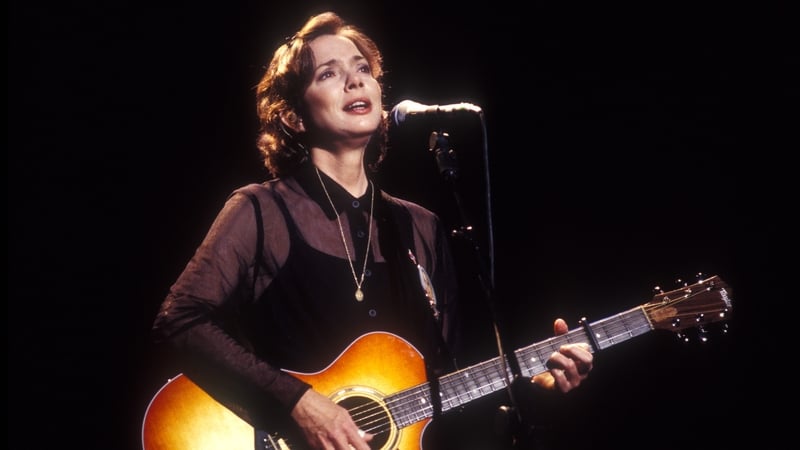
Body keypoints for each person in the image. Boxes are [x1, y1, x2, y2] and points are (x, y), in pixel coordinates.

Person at [150, 11, 593, 450]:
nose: (355, 81)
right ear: (294, 117)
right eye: (329, 73)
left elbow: (446, 400)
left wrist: (539, 391)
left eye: (362, 69)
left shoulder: (420, 228)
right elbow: (180, 319)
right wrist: (299, 403)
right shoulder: (262, 210)